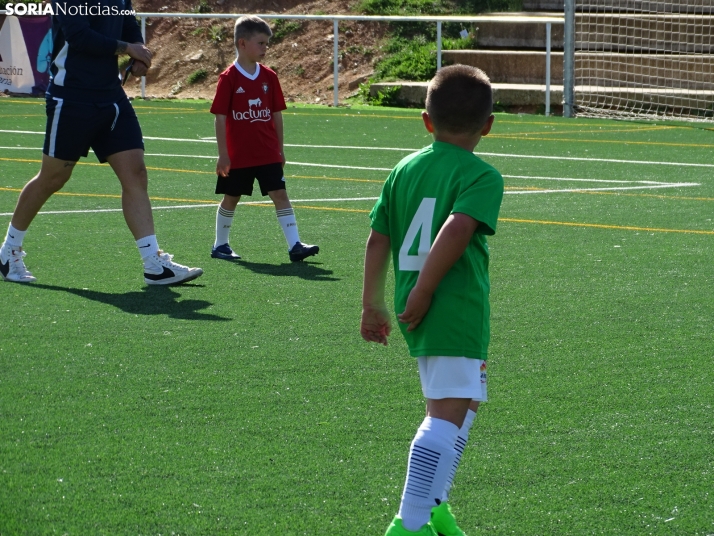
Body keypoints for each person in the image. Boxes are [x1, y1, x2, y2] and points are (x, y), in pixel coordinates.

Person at [361, 65, 504, 536]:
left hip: (416, 308)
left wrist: (371, 302)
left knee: (463, 405)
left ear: (426, 120)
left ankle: (435, 504)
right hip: (452, 306)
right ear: (488, 124)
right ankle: (410, 522)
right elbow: (457, 228)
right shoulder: (481, 174)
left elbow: (377, 238)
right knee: (444, 416)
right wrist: (425, 288)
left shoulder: (404, 168)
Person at [0, 0, 203, 286]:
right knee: (53, 177)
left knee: (135, 172)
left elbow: (129, 23)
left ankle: (153, 264)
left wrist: (139, 53)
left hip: (111, 96)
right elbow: (79, 36)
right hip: (71, 97)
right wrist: (127, 48)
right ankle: (9, 249)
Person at [209, 15, 318, 263]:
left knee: (280, 193)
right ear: (242, 43)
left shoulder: (270, 77)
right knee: (231, 197)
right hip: (239, 155)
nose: (265, 49)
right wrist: (223, 154)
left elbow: (276, 115)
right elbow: (220, 117)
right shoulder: (229, 78)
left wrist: (280, 149)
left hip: (267, 151)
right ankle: (220, 245)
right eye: (261, 43)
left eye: (267, 44)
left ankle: (295, 246)